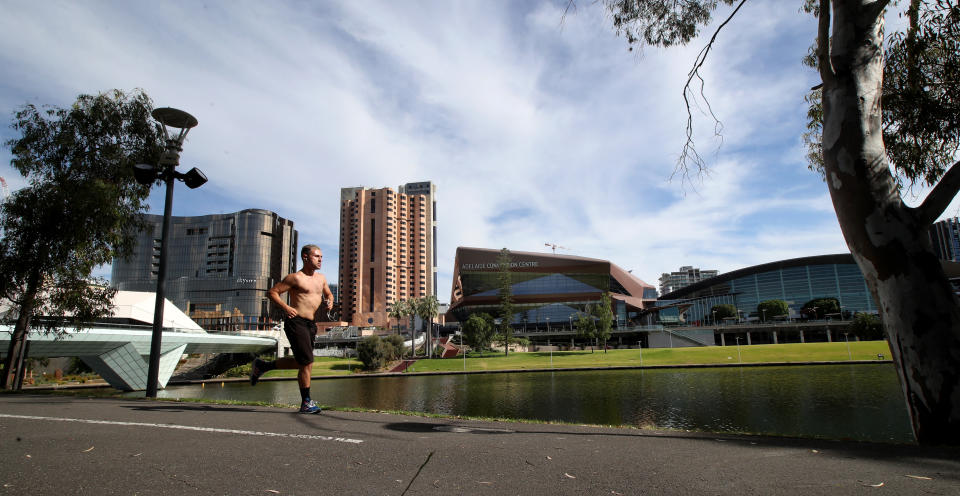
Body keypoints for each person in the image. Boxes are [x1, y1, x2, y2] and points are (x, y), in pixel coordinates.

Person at [249, 244, 334, 414]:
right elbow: (272, 292)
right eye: (316, 256)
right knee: (307, 362)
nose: (320, 260)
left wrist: (330, 301)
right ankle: (306, 403)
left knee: (302, 362)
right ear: (305, 257)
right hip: (296, 322)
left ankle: (263, 366)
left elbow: (329, 294)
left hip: (310, 324)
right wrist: (286, 308)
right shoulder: (295, 278)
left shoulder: (321, 278)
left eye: (321, 257)